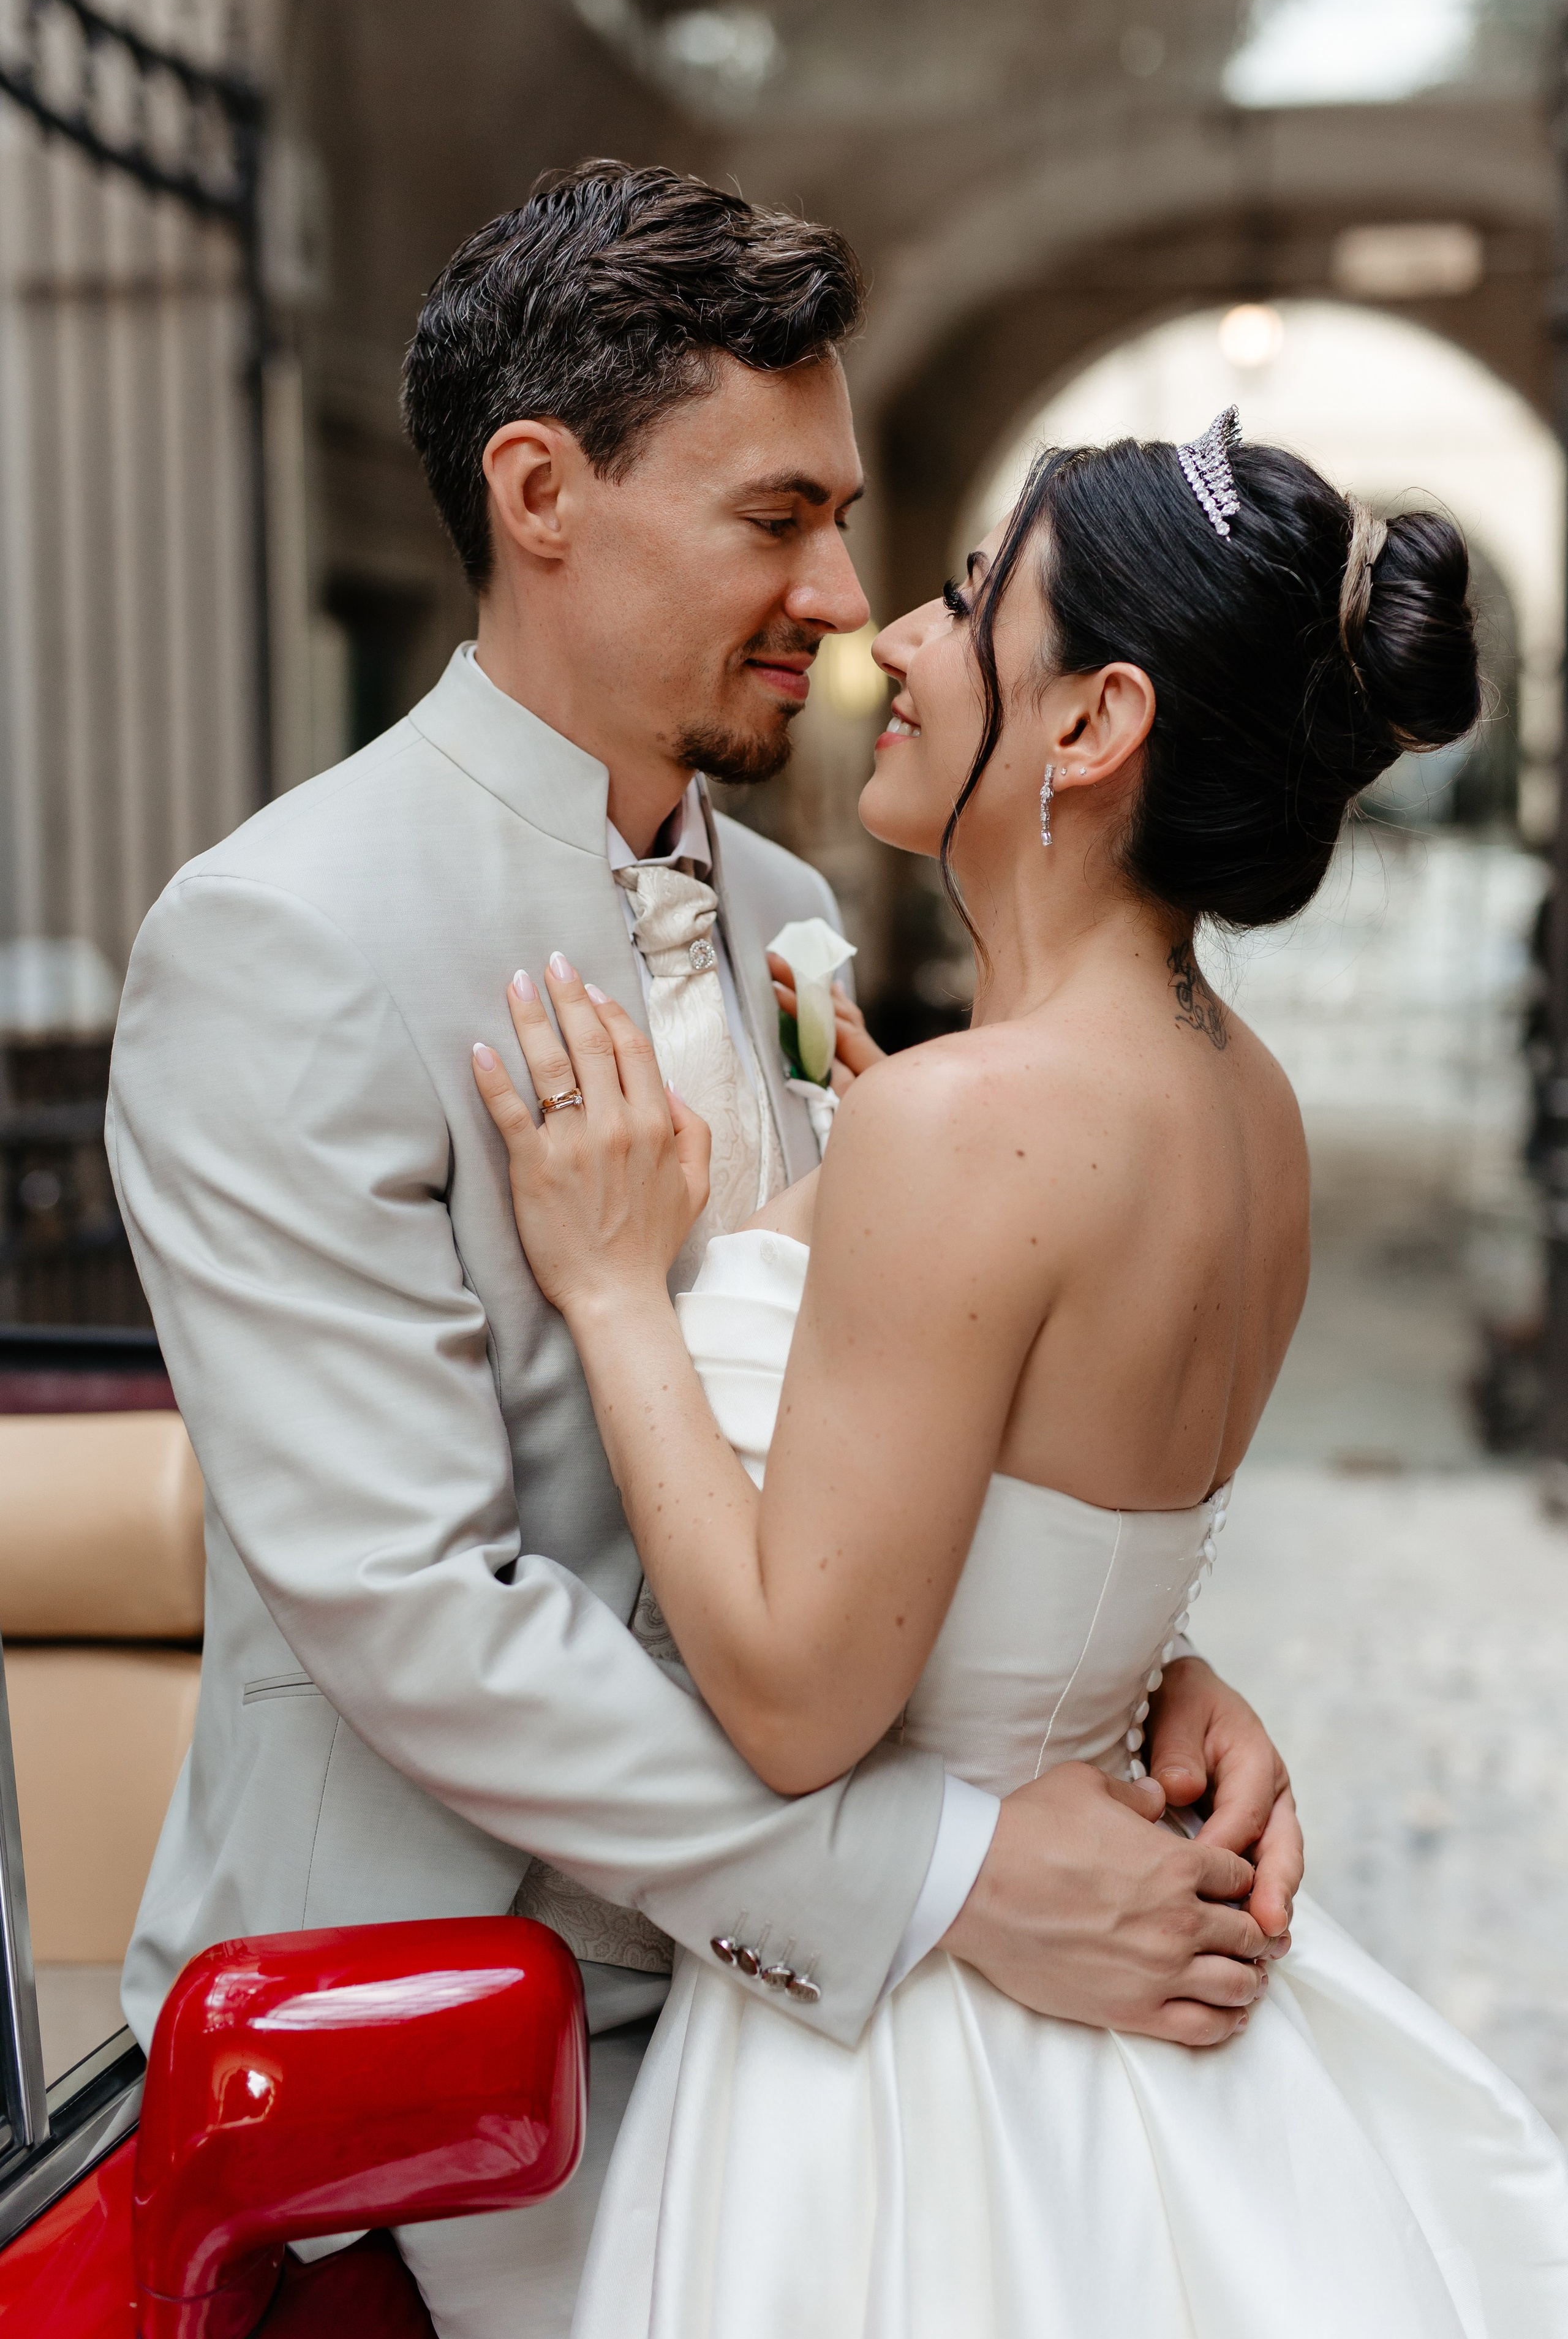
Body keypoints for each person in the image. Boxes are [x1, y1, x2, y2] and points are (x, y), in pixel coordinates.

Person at [107, 167, 1297, 2337]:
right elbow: (414, 1607)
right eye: (775, 520)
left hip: (797, 2019)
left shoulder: (782, 919)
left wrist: (1118, 1662)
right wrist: (944, 1880)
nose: (840, 600)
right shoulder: (280, 942)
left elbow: (880, 1406)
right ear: (539, 494)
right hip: (452, 2048)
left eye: (843, 522)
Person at [474, 410, 1568, 2334]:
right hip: (1128, 2010)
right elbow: (1063, 1528)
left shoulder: (969, 1129)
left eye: (974, 601)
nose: (895, 636)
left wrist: (621, 1296)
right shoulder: (1251, 1106)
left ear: (1093, 723)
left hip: (910, 2077)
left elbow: (797, 1702)